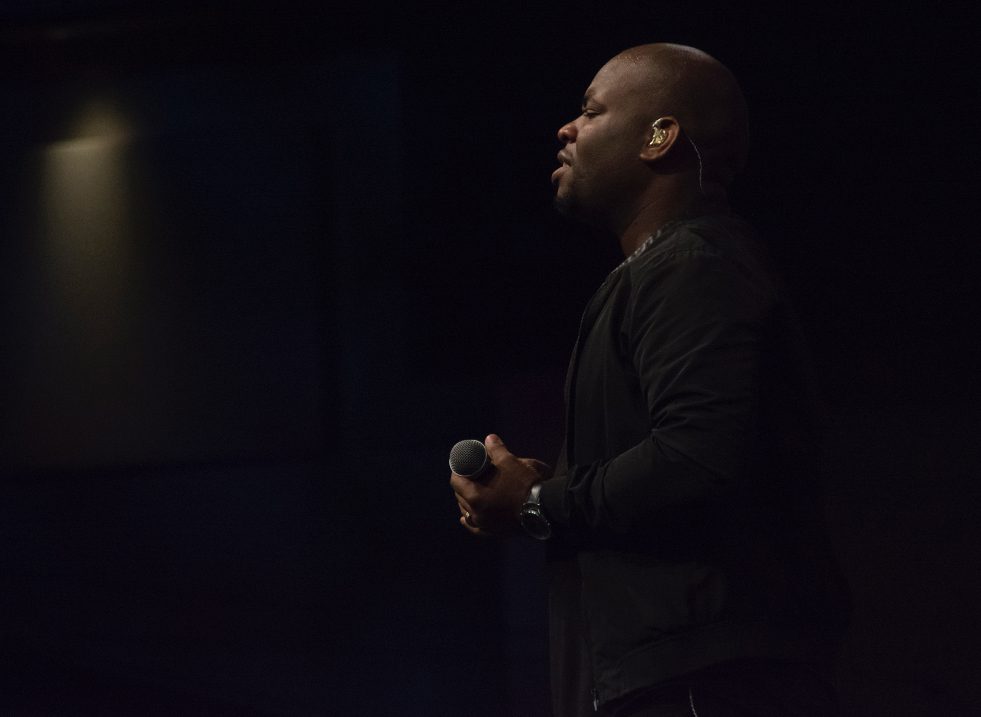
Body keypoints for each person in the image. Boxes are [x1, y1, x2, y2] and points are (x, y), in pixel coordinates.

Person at [450, 44, 849, 716]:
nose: (566, 128)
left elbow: (698, 453)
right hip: (669, 676)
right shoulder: (662, 270)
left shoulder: (695, 262)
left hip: (703, 679)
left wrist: (540, 501)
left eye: (591, 110)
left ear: (660, 136)